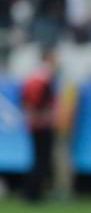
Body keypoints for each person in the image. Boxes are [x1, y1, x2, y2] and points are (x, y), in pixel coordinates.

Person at [21, 47, 57, 203]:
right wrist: (42, 114)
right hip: (42, 123)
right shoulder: (44, 77)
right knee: (42, 159)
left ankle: (32, 191)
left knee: (38, 158)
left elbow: (25, 99)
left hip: (34, 122)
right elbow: (40, 101)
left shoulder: (33, 76)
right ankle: (33, 192)